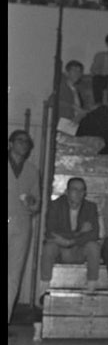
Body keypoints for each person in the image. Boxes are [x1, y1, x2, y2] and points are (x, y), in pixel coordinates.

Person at [40, 177, 103, 295]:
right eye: (75, 189)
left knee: (93, 246)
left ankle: (91, 287)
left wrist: (70, 241)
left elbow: (94, 234)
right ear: (67, 192)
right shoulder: (55, 205)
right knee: (49, 246)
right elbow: (50, 232)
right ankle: (44, 288)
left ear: (85, 193)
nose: (78, 193)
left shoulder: (90, 207)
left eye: (82, 190)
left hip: (79, 248)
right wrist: (79, 233)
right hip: (60, 249)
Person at [57, 60, 108, 154]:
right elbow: (54, 101)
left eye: (80, 71)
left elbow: (81, 111)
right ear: (67, 72)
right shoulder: (61, 86)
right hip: (69, 124)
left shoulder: (76, 89)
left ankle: (107, 148)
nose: (77, 74)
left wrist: (89, 110)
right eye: (74, 70)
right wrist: (73, 107)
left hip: (79, 122)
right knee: (103, 110)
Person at [8, 131, 41, 324]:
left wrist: (31, 201)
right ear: (11, 143)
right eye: (20, 140)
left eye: (27, 142)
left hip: (21, 224)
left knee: (13, 275)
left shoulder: (31, 170)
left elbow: (36, 204)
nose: (24, 144)